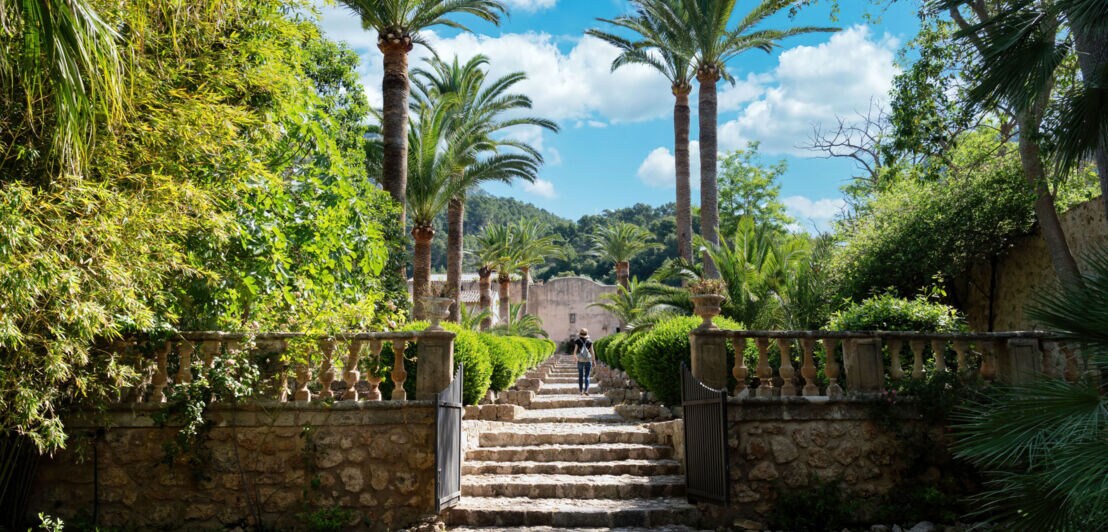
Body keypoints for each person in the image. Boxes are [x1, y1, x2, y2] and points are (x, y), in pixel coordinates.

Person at [571, 328, 594, 396]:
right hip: (588, 360)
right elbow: (592, 352)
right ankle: (586, 390)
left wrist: (576, 358)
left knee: (580, 376)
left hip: (580, 360)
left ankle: (580, 391)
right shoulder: (590, 341)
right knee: (587, 375)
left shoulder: (578, 341)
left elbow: (575, 352)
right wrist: (593, 360)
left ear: (580, 334)